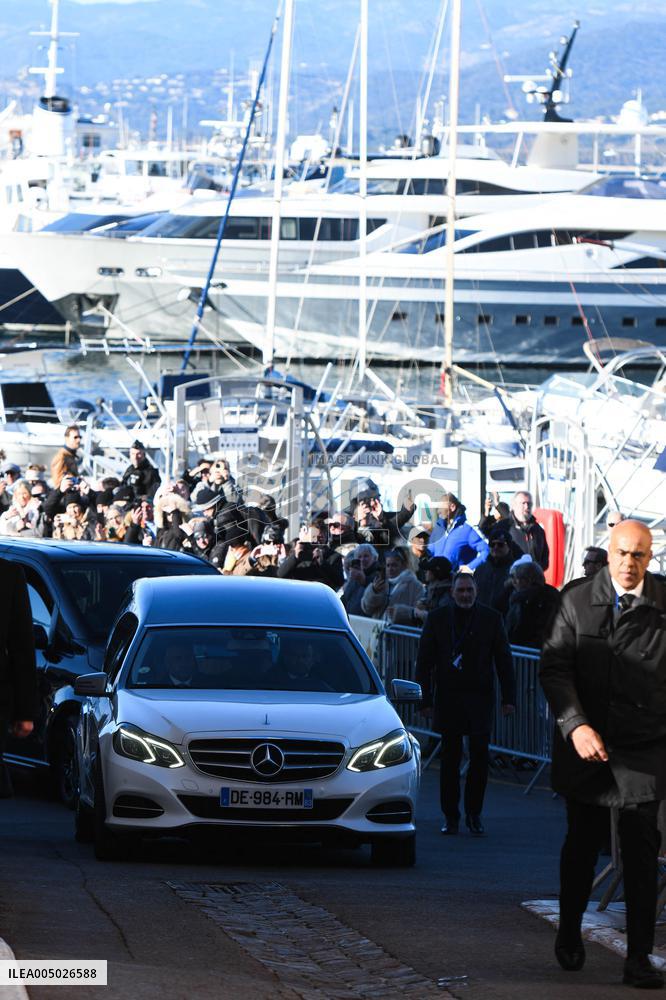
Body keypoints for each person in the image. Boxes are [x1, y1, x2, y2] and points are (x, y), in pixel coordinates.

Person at [540, 520, 666, 988]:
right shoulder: (576, 600)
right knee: (582, 842)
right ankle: (569, 930)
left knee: (641, 850)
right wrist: (575, 725)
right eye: (622, 553)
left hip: (644, 745)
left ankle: (639, 958)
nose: (629, 563)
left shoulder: (663, 602)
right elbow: (554, 667)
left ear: (650, 557)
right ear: (608, 553)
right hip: (587, 743)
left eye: (638, 555)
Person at [416, 572, 515, 836]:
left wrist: (509, 698)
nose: (465, 595)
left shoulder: (491, 618)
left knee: (479, 758)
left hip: (480, 697)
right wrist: (424, 700)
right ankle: (451, 816)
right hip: (448, 697)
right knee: (450, 759)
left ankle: (474, 814)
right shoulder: (437, 619)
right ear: (452, 593)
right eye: (460, 590)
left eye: (469, 590)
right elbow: (424, 662)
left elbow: (504, 660)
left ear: (476, 592)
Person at [0, 561, 37, 797]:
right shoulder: (9, 574)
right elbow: (22, 646)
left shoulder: (9, 575)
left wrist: (25, 712)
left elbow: (21, 647)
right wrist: (25, 713)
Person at [504, 560, 560, 650]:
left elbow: (515, 630)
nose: (513, 582)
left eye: (516, 578)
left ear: (527, 580)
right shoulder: (554, 595)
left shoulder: (522, 599)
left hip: (525, 650)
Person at [427, 493, 489, 571]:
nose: (438, 511)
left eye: (441, 507)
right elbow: (429, 552)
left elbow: (486, 550)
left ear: (452, 507)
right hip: (435, 577)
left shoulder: (467, 529)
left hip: (456, 578)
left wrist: (470, 567)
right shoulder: (438, 529)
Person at [361, 547, 423, 623]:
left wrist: (400, 612)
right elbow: (366, 609)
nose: (390, 569)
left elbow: (419, 613)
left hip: (399, 629)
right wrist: (374, 591)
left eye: (394, 565)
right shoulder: (381, 582)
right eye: (388, 565)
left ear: (404, 565)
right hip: (377, 628)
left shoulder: (416, 586)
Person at [473, 529, 516, 611]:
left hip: (504, 616)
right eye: (492, 544)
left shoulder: (515, 570)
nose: (496, 547)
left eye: (500, 544)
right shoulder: (480, 570)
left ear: (509, 547)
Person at [508, 492, 549, 570]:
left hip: (534, 575)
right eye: (523, 503)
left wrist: (537, 569)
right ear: (514, 505)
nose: (527, 506)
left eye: (529, 504)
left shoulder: (538, 530)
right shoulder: (506, 527)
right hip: (512, 575)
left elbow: (545, 558)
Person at [341, 543, 380, 616]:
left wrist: (363, 580)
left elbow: (374, 601)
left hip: (365, 620)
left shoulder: (378, 575)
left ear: (374, 558)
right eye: (359, 557)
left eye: (366, 556)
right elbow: (346, 598)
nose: (362, 559)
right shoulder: (355, 575)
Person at [413, 557, 453, 623]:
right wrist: (423, 603)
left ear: (436, 573)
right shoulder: (432, 587)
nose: (425, 572)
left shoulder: (447, 593)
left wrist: (420, 613)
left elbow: (441, 618)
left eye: (428, 570)